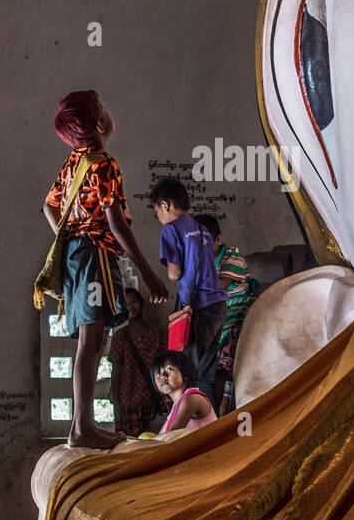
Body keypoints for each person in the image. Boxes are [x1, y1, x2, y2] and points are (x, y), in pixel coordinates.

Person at [43, 91, 167, 447]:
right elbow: (117, 225)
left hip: (77, 255)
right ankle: (82, 427)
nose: (108, 113)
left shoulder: (73, 163)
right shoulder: (103, 164)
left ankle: (80, 427)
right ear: (99, 123)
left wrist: (68, 236)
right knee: (91, 340)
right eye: (103, 109)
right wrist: (146, 271)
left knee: (90, 340)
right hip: (94, 255)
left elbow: (49, 206)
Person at [150, 176, 226, 410]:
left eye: (157, 212)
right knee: (205, 377)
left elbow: (174, 274)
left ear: (165, 205)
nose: (159, 218)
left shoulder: (171, 230)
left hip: (197, 307)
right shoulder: (201, 229)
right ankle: (212, 431)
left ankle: (189, 433)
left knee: (185, 376)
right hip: (217, 306)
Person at [195, 214, 260, 415]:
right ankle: (214, 411)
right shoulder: (200, 261)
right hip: (218, 319)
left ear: (218, 240)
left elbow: (218, 287)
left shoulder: (233, 257)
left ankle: (224, 407)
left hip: (238, 316)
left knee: (223, 367)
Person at [107, 288, 164, 435]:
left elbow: (165, 366)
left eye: (134, 302)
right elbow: (116, 371)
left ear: (142, 304)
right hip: (129, 402)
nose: (131, 307)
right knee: (132, 448)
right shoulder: (120, 337)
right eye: (127, 304)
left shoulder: (157, 334)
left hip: (154, 401)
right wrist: (117, 407)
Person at [149, 350, 218, 433]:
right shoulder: (177, 404)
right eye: (157, 373)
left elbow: (168, 436)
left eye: (169, 369)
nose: (162, 377)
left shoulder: (191, 398)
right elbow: (161, 438)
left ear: (184, 372)